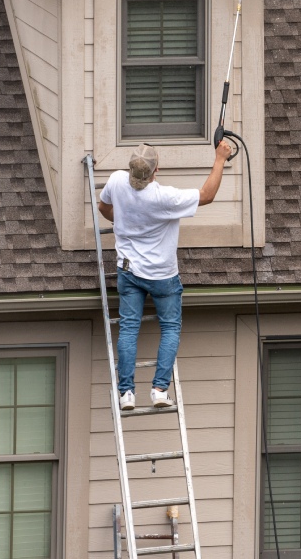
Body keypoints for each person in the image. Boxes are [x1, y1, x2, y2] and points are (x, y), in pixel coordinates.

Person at [98, 140, 233, 411]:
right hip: (162, 276)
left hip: (128, 271)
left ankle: (126, 394)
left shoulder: (115, 181)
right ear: (155, 170)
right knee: (170, 328)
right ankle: (159, 390)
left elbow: (103, 209)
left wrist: (125, 220)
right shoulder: (164, 197)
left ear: (130, 168)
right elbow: (206, 195)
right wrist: (220, 158)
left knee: (128, 329)